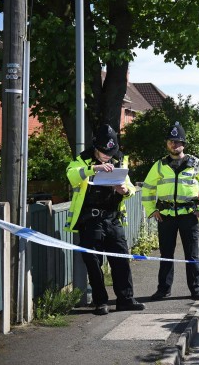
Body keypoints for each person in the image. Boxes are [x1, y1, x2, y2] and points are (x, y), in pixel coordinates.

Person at [65, 124, 146, 315]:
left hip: (112, 219)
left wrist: (126, 191)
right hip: (90, 220)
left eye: (111, 152)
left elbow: (130, 186)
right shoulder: (82, 159)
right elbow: (71, 176)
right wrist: (94, 168)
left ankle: (125, 299)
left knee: (121, 259)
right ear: (95, 147)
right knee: (93, 262)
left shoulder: (120, 160)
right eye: (104, 153)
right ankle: (100, 301)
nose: (108, 156)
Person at [142, 121, 199, 301]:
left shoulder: (196, 164)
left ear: (184, 144)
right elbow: (147, 189)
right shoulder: (159, 165)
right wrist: (152, 210)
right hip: (165, 217)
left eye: (178, 141)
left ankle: (196, 289)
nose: (174, 145)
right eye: (171, 141)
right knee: (166, 254)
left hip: (189, 216)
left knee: (192, 254)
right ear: (167, 144)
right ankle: (163, 289)